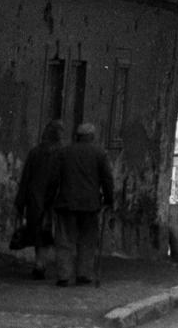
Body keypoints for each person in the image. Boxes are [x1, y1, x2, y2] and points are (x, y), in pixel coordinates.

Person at [49, 122, 114, 286]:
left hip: (66, 202)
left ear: (77, 137)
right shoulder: (100, 153)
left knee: (64, 239)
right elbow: (107, 179)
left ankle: (64, 275)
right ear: (92, 137)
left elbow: (54, 178)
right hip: (90, 204)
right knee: (87, 239)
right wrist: (109, 199)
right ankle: (83, 274)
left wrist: (50, 198)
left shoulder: (64, 152)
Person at [15, 121, 63, 279]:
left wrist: (20, 202)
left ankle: (39, 263)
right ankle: (42, 263)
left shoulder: (35, 152)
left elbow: (26, 178)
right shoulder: (60, 154)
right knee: (48, 233)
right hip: (52, 199)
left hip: (35, 199)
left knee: (38, 232)